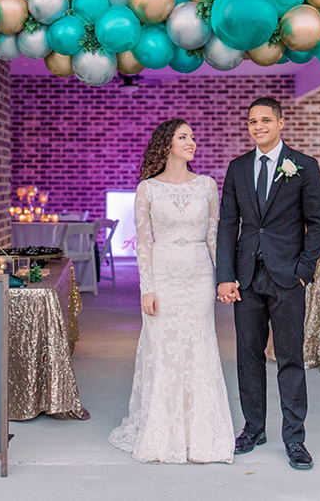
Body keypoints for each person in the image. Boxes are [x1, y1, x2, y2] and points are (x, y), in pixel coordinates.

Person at [109, 119, 234, 464]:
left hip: (198, 277)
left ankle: (202, 434)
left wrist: (224, 277)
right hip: (163, 275)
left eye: (193, 136)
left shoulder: (207, 185)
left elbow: (214, 235)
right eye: (184, 137)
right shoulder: (147, 189)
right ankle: (162, 432)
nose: (192, 141)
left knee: (200, 348)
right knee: (162, 351)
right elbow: (143, 245)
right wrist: (146, 288)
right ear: (167, 145)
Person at [215, 97, 320, 471]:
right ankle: (254, 427)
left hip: (286, 277)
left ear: (282, 122)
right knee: (247, 356)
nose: (258, 126)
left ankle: (295, 438)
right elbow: (228, 224)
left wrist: (303, 269)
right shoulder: (237, 168)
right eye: (252, 121)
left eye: (265, 120)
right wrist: (226, 276)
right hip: (246, 277)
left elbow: (319, 222)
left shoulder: (304, 167)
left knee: (289, 357)